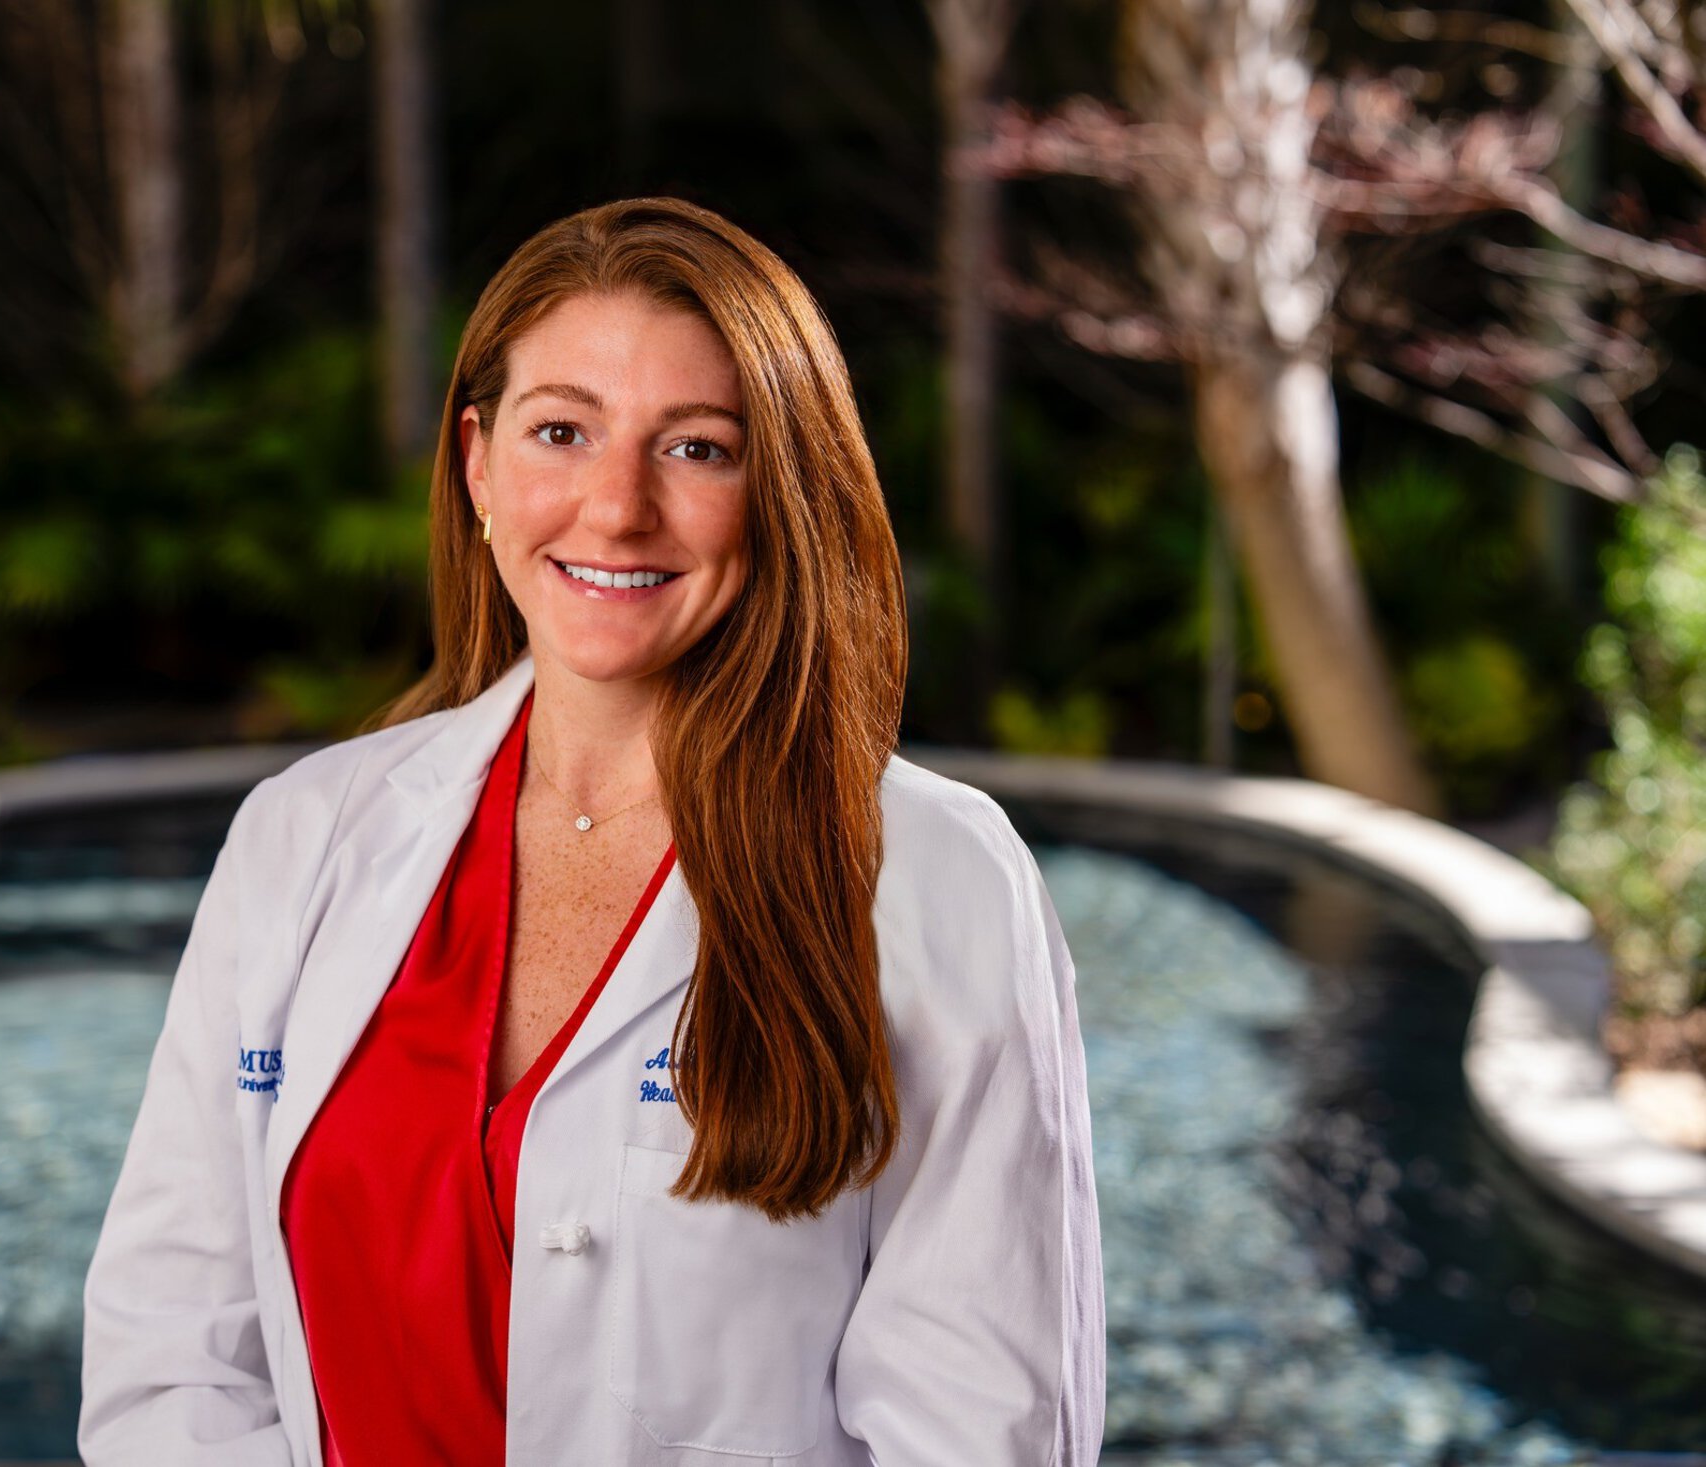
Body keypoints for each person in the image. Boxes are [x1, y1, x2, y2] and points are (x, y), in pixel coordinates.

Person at [78, 196, 1104, 1466]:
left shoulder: (938, 881)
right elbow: (172, 1351)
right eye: (560, 431)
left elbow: (979, 1433)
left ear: (778, 491)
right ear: (477, 467)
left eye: (698, 449)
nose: (615, 510)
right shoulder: (302, 840)